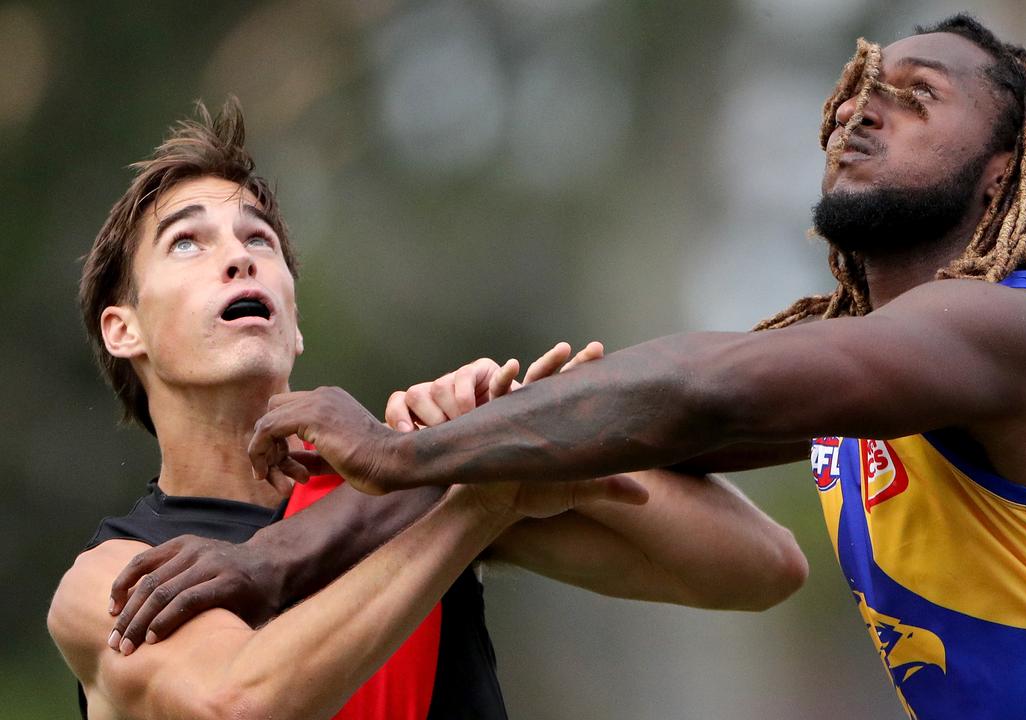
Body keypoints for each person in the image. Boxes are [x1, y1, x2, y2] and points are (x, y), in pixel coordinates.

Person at [242, 14, 1026, 719]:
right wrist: (286, 548)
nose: (861, 110)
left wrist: (385, 447)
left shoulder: (1023, 330)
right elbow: (629, 433)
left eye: (915, 97)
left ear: (1002, 165)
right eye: (859, 90)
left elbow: (698, 385)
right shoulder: (880, 376)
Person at [46, 99, 808, 720]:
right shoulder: (107, 580)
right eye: (187, 243)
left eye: (259, 238)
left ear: (294, 320)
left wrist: (512, 434)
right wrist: (473, 503)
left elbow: (760, 569)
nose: (239, 255)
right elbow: (237, 702)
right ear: (125, 330)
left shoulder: (403, 487)